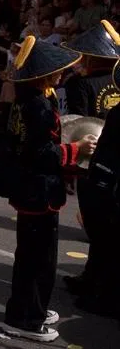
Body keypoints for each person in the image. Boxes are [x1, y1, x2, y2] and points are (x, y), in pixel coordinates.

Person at [1, 36, 96, 342]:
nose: (60, 74)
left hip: (30, 189)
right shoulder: (38, 106)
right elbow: (42, 153)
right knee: (39, 259)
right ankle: (27, 319)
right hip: (38, 190)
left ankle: (27, 308)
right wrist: (76, 148)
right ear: (41, 75)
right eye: (54, 71)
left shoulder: (25, 98)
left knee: (30, 257)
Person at [62, 20, 120, 310]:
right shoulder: (115, 81)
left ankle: (98, 287)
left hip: (92, 159)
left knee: (98, 227)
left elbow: (75, 122)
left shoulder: (80, 84)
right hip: (114, 161)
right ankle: (92, 279)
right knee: (107, 229)